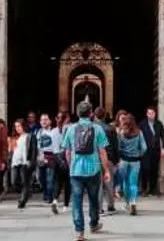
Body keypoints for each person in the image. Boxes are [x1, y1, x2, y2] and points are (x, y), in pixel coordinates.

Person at [62, 101, 112, 241]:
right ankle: (94, 224)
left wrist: (71, 166)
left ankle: (80, 232)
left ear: (78, 114)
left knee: (77, 201)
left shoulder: (71, 129)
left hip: (76, 171)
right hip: (93, 169)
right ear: (91, 114)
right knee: (94, 199)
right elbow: (102, 151)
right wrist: (106, 170)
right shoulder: (97, 129)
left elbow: (67, 152)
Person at [116, 112, 147, 215]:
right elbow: (144, 148)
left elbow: (118, 147)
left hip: (124, 160)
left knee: (125, 182)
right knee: (133, 183)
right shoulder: (139, 132)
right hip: (135, 161)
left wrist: (122, 153)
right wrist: (139, 154)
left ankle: (127, 203)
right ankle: (133, 201)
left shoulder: (121, 133)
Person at [93, 107, 119, 215]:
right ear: (105, 116)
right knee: (109, 183)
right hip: (109, 158)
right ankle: (110, 206)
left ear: (95, 116)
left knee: (98, 184)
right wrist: (116, 160)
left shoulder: (92, 128)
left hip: (95, 158)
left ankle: (99, 208)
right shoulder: (110, 128)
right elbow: (115, 145)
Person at [139, 107, 164, 197]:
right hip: (145, 151)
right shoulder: (142, 124)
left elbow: (163, 135)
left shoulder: (159, 124)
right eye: (149, 113)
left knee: (154, 169)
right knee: (145, 169)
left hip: (155, 150)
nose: (151, 115)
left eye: (152, 113)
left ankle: (152, 189)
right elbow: (139, 136)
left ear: (155, 114)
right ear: (146, 114)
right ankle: (144, 189)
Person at [9, 118, 38, 208]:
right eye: (16, 126)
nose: (17, 128)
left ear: (23, 126)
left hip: (25, 162)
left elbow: (34, 150)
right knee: (14, 182)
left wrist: (32, 161)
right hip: (15, 162)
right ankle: (27, 191)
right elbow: (11, 151)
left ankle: (22, 200)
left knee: (24, 182)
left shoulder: (30, 136)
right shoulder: (14, 138)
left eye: (19, 126)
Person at [36, 113, 62, 213]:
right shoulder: (38, 132)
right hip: (41, 157)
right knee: (40, 178)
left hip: (51, 157)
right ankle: (46, 192)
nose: (44, 121)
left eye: (46, 119)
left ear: (50, 121)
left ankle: (49, 196)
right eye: (42, 120)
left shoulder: (54, 131)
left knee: (50, 179)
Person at [53, 111, 72, 213]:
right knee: (68, 182)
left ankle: (55, 200)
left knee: (58, 181)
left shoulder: (53, 131)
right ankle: (65, 205)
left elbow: (53, 148)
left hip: (57, 158)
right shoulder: (70, 129)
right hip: (67, 157)